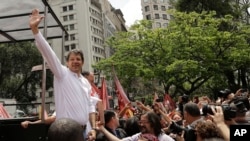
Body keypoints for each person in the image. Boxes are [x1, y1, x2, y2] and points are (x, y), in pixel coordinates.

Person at [29, 9, 96, 140]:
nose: (75, 62)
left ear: (83, 62)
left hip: (84, 132)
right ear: (67, 62)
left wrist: (92, 128)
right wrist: (35, 30)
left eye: (78, 59)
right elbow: (48, 53)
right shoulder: (62, 74)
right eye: (72, 59)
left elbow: (89, 106)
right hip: (66, 134)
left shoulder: (85, 82)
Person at [96, 111, 174, 141]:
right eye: (140, 122)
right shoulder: (138, 137)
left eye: (144, 122)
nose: (141, 125)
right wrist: (102, 129)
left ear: (152, 123)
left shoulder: (165, 139)